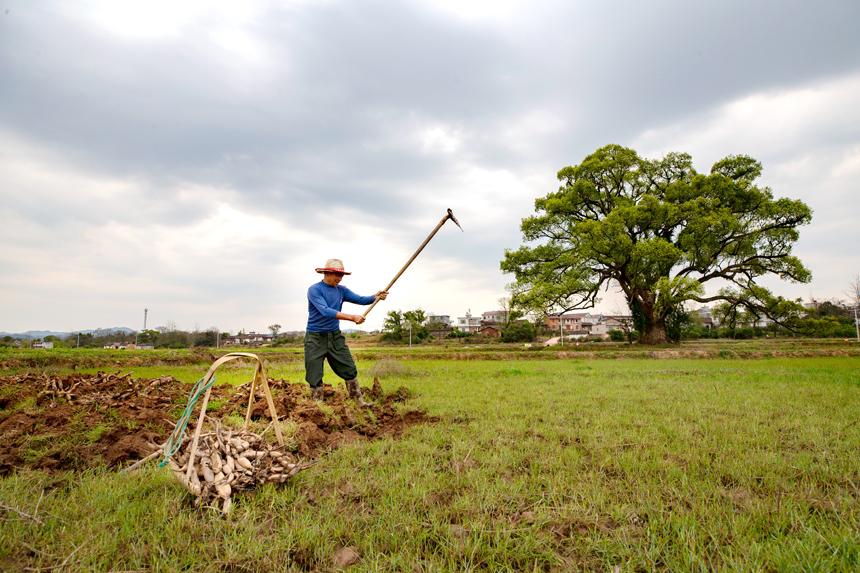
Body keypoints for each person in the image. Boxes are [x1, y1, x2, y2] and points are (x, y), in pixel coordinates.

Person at [305, 258, 387, 404]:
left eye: (341, 275)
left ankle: (358, 402)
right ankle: (317, 406)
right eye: (336, 275)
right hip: (315, 337)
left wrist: (376, 297)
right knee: (314, 372)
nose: (339, 278)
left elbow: (362, 299)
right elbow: (325, 311)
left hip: (335, 336)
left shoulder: (341, 290)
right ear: (326, 273)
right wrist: (352, 317)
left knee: (348, 367)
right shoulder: (314, 290)